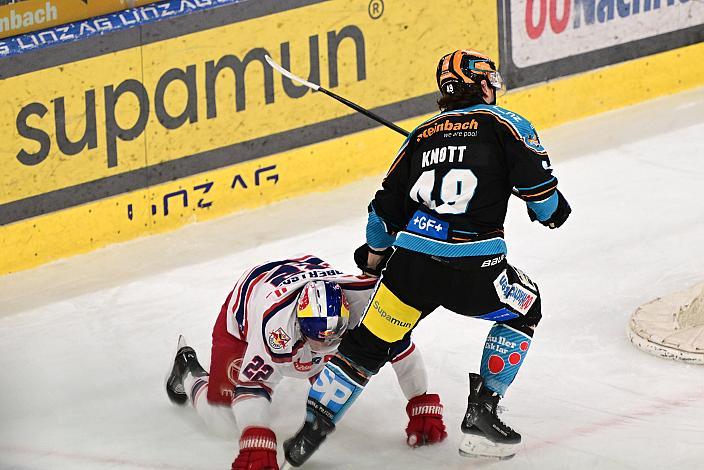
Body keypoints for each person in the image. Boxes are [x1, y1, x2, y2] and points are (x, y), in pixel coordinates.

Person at [283, 49, 572, 466]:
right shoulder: (506, 124)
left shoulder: (420, 136)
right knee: (526, 307)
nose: (494, 85)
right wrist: (552, 209)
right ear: (478, 84)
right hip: (474, 271)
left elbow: (380, 219)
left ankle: (313, 427)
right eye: (489, 79)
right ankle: (482, 412)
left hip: (409, 271)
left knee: (368, 346)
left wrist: (375, 259)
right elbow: (547, 205)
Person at [165, 255, 447, 470]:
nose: (323, 346)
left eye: (332, 337)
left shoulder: (365, 304)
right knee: (224, 423)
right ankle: (188, 371)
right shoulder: (275, 328)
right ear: (299, 323)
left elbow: (401, 350)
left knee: (336, 379)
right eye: (316, 339)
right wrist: (256, 434)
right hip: (247, 306)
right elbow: (252, 387)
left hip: (305, 277)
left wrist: (420, 402)